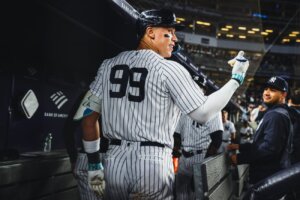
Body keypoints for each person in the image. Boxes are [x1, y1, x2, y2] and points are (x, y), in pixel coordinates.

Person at [75, 8, 249, 199]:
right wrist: (236, 79)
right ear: (150, 32)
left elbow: (87, 117)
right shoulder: (169, 68)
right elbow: (203, 113)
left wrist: (93, 162)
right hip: (152, 162)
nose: (175, 38)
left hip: (114, 161)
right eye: (170, 31)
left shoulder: (108, 65)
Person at [228, 76, 291, 185]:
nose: (267, 92)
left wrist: (239, 158)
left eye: (273, 90)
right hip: (268, 178)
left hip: (267, 180)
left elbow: (268, 149)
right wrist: (240, 147)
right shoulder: (276, 112)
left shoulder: (276, 115)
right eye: (266, 89)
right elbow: (260, 144)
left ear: (283, 94)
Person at [64, 92, 108, 200]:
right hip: (116, 158)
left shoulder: (92, 92)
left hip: (89, 159)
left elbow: (68, 128)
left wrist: (73, 159)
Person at [175, 112, 223, 200]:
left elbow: (217, 140)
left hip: (201, 157)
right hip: (183, 158)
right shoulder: (183, 106)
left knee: (198, 195)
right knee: (180, 195)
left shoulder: (213, 105)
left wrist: (202, 168)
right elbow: (176, 135)